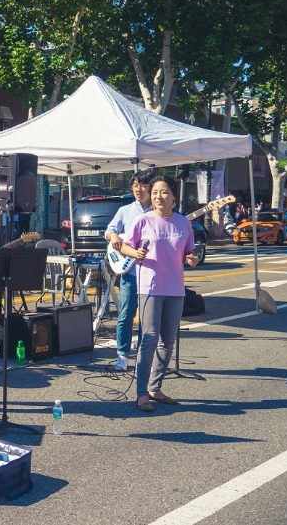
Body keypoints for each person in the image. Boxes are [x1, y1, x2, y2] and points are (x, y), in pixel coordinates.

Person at [119, 175, 199, 413]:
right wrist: (135, 253)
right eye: (154, 192)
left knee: (167, 341)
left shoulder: (183, 223)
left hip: (175, 288)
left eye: (164, 192)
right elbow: (124, 245)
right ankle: (141, 393)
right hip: (150, 287)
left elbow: (190, 251)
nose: (158, 196)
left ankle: (155, 387)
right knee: (149, 338)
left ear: (174, 197)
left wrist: (192, 259)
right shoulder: (143, 220)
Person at [104, 170, 154, 372]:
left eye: (142, 185)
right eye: (135, 185)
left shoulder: (159, 212)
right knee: (125, 314)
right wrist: (114, 236)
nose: (137, 189)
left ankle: (144, 356)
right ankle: (122, 355)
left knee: (147, 318)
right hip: (130, 272)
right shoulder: (125, 210)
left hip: (151, 273)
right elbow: (109, 231)